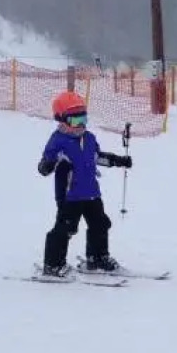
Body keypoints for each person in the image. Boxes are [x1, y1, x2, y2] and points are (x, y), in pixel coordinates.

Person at [37, 91, 132, 277]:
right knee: (65, 229)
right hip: (69, 196)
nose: (80, 125)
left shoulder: (89, 138)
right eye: (74, 121)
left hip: (91, 193)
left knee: (100, 224)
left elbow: (98, 157)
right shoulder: (58, 141)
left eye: (83, 119)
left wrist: (119, 160)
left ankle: (97, 258)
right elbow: (43, 168)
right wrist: (49, 164)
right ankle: (53, 264)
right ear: (62, 120)